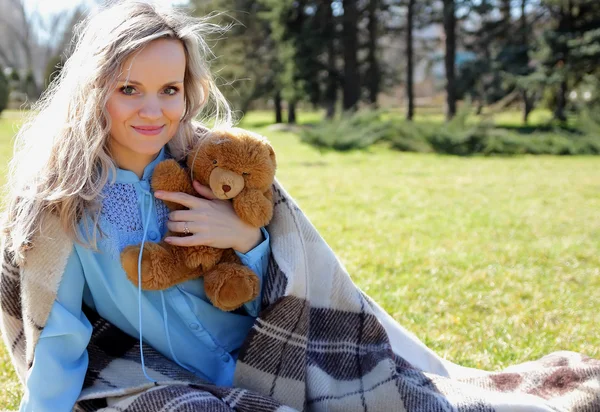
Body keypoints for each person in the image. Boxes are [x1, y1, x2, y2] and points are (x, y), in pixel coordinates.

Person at [1, 1, 270, 410]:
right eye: (129, 89)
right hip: (162, 380)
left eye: (169, 90)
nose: (152, 111)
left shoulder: (216, 168)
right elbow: (60, 334)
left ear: (187, 92)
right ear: (93, 90)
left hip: (267, 362)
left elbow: (290, 288)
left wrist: (247, 238)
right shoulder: (67, 203)